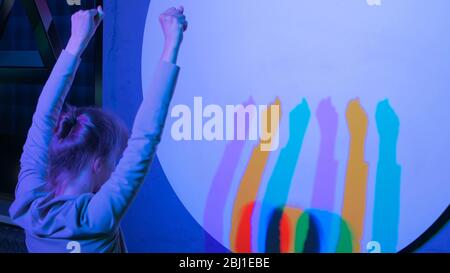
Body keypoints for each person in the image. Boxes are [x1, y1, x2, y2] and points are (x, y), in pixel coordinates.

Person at [9, 5, 188, 253]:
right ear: (97, 163)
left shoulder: (29, 204)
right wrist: (172, 44)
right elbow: (144, 139)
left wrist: (76, 41)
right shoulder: (98, 217)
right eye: (115, 161)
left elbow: (43, 117)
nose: (116, 168)